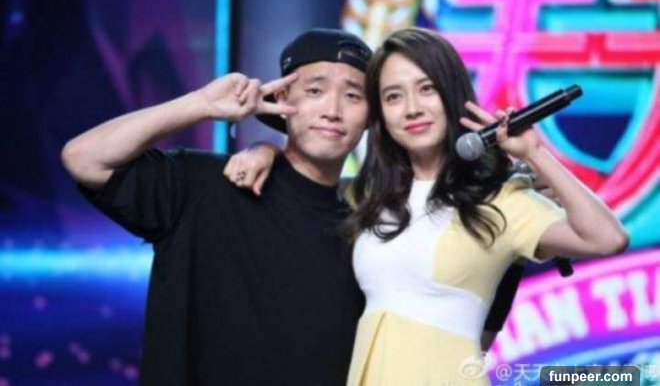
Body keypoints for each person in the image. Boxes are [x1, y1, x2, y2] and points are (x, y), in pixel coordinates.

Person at [226, 27, 629, 385]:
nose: (412, 108)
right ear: (380, 115)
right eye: (393, 96)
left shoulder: (500, 199)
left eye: (427, 89)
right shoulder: (367, 198)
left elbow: (607, 239)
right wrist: (265, 150)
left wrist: (537, 155)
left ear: (451, 95)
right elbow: (307, 185)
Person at [61, 28, 373, 385]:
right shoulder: (205, 185)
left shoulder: (365, 237)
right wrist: (201, 104)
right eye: (315, 91)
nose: (332, 111)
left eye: (353, 95)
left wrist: (265, 149)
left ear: (370, 116)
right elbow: (84, 159)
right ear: (282, 98)